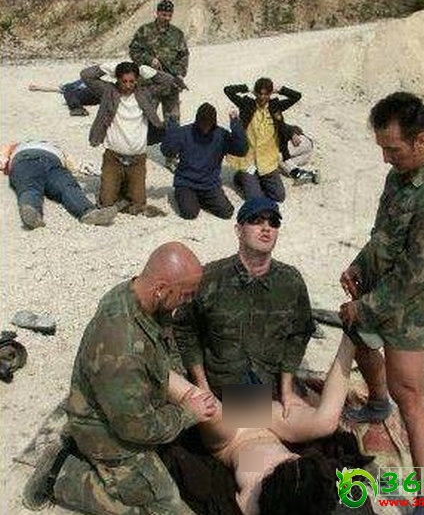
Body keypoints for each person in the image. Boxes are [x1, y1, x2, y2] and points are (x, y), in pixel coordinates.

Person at [338, 92, 424, 515]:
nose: (385, 159)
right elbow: (383, 234)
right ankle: (377, 402)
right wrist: (360, 264)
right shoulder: (400, 174)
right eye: (382, 148)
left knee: (410, 398)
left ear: (421, 140)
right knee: (357, 333)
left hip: (410, 309)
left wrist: (365, 307)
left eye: (392, 149)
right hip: (380, 287)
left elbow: (417, 276)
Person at [23, 242, 216, 515]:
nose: (189, 301)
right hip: (110, 432)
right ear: (161, 289)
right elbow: (136, 428)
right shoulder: (121, 348)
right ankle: (62, 476)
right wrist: (186, 413)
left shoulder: (137, 293)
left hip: (123, 401)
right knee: (166, 506)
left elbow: (162, 336)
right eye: (186, 294)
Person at [163, 333, 357, 515]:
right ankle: (352, 336)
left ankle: (152, 369)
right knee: (326, 422)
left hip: (231, 438)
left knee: (208, 408)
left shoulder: (253, 502)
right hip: (266, 421)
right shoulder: (314, 480)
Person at [173, 196, 315, 413]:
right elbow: (185, 328)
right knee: (314, 422)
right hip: (220, 390)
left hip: (271, 389)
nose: (266, 228)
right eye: (256, 220)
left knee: (322, 422)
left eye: (273, 222)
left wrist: (287, 389)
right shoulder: (210, 277)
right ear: (238, 230)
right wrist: (201, 385)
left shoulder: (290, 281)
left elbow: (299, 333)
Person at [82, 61, 180, 215]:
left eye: (132, 81)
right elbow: (86, 75)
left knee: (138, 204)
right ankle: (117, 186)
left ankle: (123, 187)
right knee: (106, 203)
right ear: (117, 79)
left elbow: (168, 81)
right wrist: (110, 67)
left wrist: (147, 71)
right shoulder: (109, 91)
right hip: (113, 158)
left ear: (137, 80)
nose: (128, 85)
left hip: (137, 160)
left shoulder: (145, 93)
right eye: (124, 81)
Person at [0, 140, 116, 229]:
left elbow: (73, 165)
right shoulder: (17, 146)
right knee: (65, 186)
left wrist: (84, 168)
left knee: (33, 187)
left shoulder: (22, 146)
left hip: (38, 161)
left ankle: (31, 208)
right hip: (36, 160)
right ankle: (31, 212)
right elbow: (4, 153)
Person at [161, 103, 248, 220]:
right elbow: (167, 151)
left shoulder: (221, 135)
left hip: (209, 184)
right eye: (202, 123)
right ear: (197, 120)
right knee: (189, 214)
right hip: (186, 183)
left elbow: (241, 150)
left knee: (227, 213)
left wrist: (235, 123)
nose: (205, 128)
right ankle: (186, 196)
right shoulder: (184, 132)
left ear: (214, 122)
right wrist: (173, 127)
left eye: (208, 124)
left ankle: (198, 199)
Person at [224, 78, 306, 201]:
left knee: (279, 196)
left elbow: (297, 96)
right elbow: (228, 90)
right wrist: (248, 88)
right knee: (255, 198)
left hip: (267, 160)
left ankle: (256, 179)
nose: (262, 97)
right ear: (256, 93)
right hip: (249, 160)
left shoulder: (275, 106)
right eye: (260, 94)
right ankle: (241, 177)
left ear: (270, 93)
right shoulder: (247, 105)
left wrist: (280, 90)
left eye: (266, 94)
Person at [129, 0, 189, 128]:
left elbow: (183, 56)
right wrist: (149, 60)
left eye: (169, 15)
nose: (167, 18)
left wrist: (179, 73)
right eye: (164, 15)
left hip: (171, 85)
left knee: (173, 123)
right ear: (157, 13)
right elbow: (134, 51)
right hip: (150, 84)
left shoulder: (177, 34)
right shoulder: (144, 31)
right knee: (146, 121)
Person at [28, 79, 100, 117]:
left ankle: (77, 108)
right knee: (68, 88)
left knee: (68, 88)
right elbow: (60, 89)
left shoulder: (84, 82)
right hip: (86, 96)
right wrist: (39, 88)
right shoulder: (80, 82)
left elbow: (62, 89)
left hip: (93, 95)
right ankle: (77, 108)